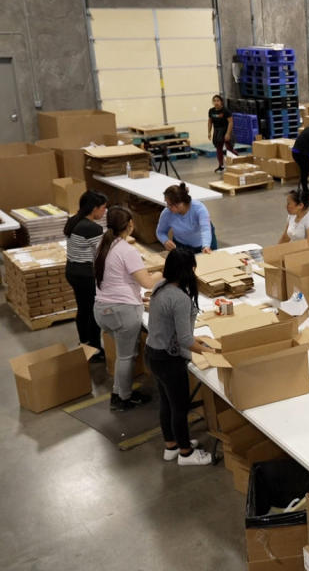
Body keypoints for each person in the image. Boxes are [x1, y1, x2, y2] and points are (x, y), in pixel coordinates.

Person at [145, 248, 213, 466]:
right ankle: (186, 453)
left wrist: (194, 338)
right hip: (169, 359)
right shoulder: (180, 298)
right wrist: (209, 351)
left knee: (167, 403)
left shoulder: (159, 287)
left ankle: (171, 445)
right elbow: (185, 340)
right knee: (180, 407)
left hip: (153, 353)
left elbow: (172, 328)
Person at [94, 206, 161, 411]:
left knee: (124, 354)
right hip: (122, 311)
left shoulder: (102, 245)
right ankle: (123, 398)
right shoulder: (127, 250)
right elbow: (148, 283)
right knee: (126, 357)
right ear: (130, 224)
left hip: (101, 309)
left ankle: (118, 392)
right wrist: (163, 272)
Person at [64, 191, 109, 362]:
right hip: (85, 275)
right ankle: (95, 349)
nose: (104, 212)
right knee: (92, 311)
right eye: (103, 208)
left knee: (83, 309)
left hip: (72, 271)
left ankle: (84, 342)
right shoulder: (92, 228)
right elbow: (100, 256)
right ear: (94, 208)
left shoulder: (73, 220)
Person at [157, 183, 217, 254]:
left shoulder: (199, 208)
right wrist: (165, 240)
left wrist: (206, 246)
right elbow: (160, 232)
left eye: (171, 205)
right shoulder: (167, 213)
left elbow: (205, 229)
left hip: (203, 242)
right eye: (167, 203)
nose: (168, 207)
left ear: (182, 203)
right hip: (182, 245)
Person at [208, 94, 235, 173]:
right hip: (217, 131)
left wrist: (228, 134)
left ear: (221, 102)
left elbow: (230, 122)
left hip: (226, 130)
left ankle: (238, 159)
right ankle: (221, 166)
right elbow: (210, 122)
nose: (216, 102)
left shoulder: (226, 111)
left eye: (218, 101)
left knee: (229, 149)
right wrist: (209, 132)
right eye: (214, 101)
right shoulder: (211, 111)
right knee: (218, 148)